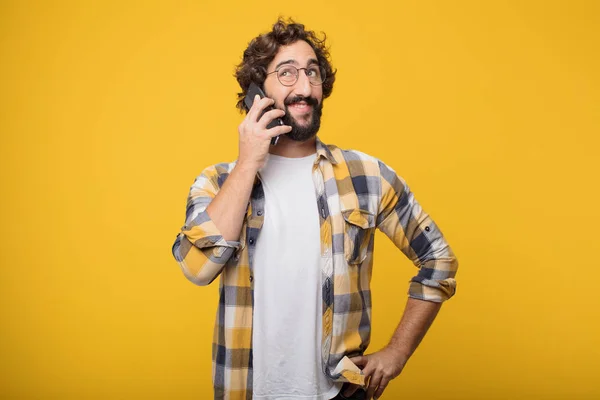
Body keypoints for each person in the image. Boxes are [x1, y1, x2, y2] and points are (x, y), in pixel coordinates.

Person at [171, 18, 458, 400]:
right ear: (257, 90)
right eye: (286, 74)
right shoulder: (217, 182)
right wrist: (247, 165)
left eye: (312, 73)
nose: (305, 87)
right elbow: (196, 267)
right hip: (248, 391)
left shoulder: (368, 176)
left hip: (339, 392)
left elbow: (439, 259)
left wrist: (397, 353)